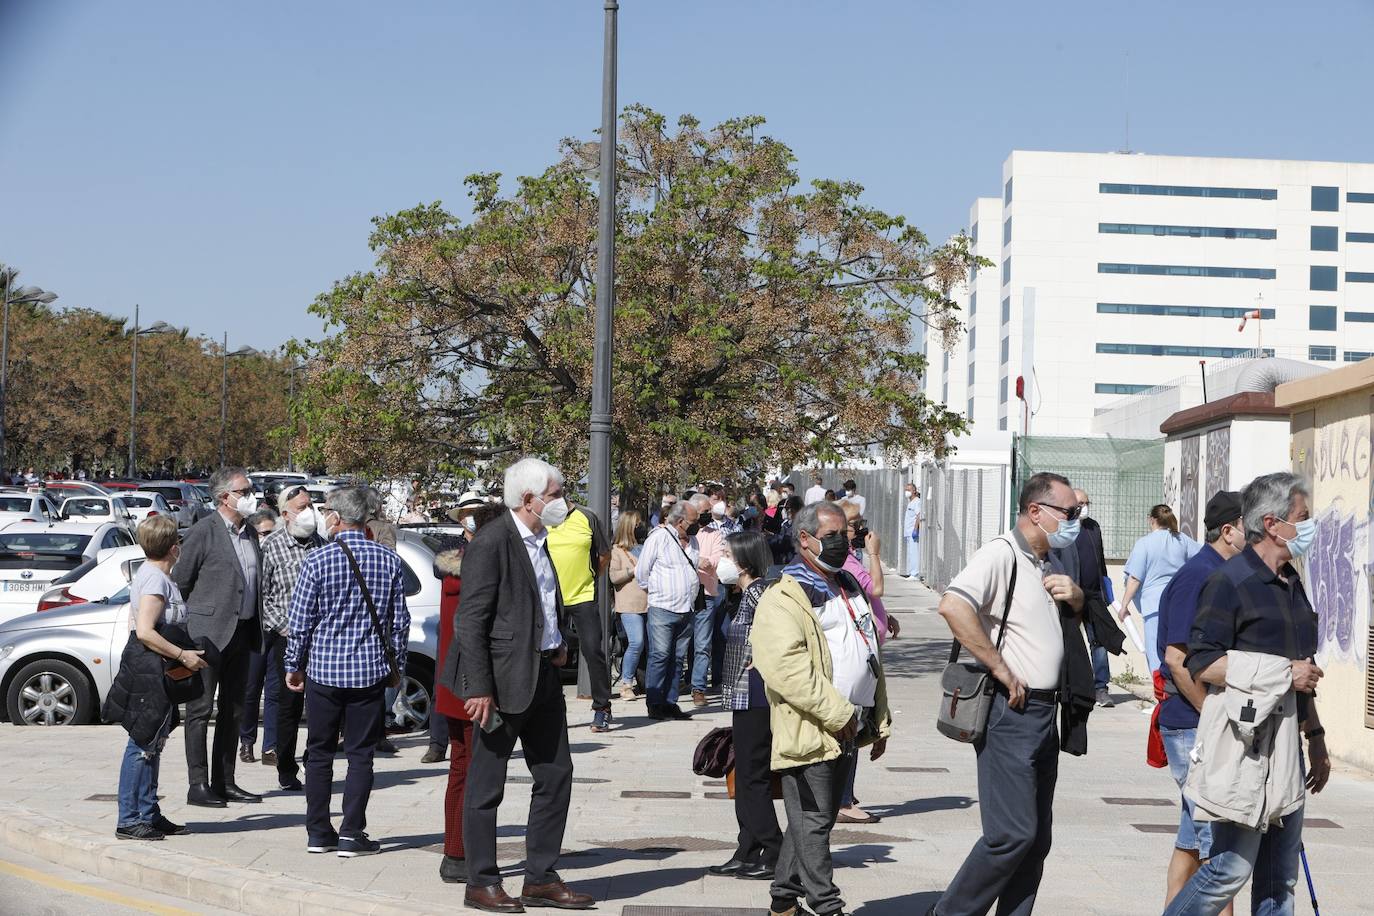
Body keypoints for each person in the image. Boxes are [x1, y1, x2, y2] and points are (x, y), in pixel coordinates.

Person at [1163, 473, 1330, 916]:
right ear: (1273, 524)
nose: (1308, 527)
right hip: (1243, 748)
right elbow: (1202, 662)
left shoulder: (1291, 581)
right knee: (1228, 871)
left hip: (1288, 749)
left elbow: (1304, 669)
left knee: (1280, 881)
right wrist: (1280, 674)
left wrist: (1316, 738)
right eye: (1302, 518)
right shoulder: (1228, 582)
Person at [929, 472, 1085, 916]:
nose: (1075, 521)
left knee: (1035, 841)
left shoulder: (1048, 561)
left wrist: (1074, 599)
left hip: (1044, 713)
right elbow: (953, 605)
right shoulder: (1002, 553)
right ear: (1036, 511)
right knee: (1011, 833)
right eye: (1069, 513)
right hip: (1010, 712)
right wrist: (999, 667)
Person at [443, 457, 593, 911]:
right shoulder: (492, 542)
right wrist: (478, 688)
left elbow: (543, 598)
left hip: (542, 675)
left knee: (555, 775)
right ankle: (481, 881)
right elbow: (471, 622)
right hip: (500, 684)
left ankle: (540, 877)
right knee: (486, 783)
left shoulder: (540, 539)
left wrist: (559, 642)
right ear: (528, 499)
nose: (561, 503)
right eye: (554, 495)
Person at [751, 501, 891, 916]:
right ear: (805, 539)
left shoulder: (846, 582)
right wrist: (836, 713)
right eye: (831, 535)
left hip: (851, 721)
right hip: (813, 723)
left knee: (818, 816)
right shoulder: (783, 594)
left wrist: (876, 718)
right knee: (813, 818)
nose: (841, 541)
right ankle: (827, 905)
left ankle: (782, 900)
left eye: (845, 533)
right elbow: (786, 669)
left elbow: (867, 649)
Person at [284, 486, 410, 859]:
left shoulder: (318, 561)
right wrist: (397, 668)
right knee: (360, 756)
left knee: (319, 754)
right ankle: (353, 833)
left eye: (326, 513)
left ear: (337, 519)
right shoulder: (388, 561)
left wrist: (294, 665)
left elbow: (301, 620)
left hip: (324, 671)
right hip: (368, 673)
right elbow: (399, 622)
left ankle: (319, 831)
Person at [1153, 491, 1244, 914]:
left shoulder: (1222, 574)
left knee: (1192, 841)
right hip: (1192, 724)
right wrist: (1213, 714)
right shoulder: (1199, 577)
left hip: (1198, 722)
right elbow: (1176, 659)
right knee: (1218, 850)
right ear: (1228, 531)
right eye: (1252, 524)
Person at [174, 466, 265, 808]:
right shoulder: (203, 532)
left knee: (235, 710)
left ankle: (225, 781)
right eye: (245, 491)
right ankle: (197, 785)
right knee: (199, 711)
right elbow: (180, 583)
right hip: (207, 635)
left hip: (243, 631)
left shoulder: (250, 533)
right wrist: (185, 634)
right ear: (225, 496)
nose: (251, 496)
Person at [109, 516, 205, 840]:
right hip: (151, 669)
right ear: (174, 547)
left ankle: (148, 813)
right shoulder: (154, 580)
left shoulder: (159, 576)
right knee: (141, 743)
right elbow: (145, 631)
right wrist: (183, 655)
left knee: (154, 742)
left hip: (157, 669)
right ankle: (129, 818)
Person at [432, 500, 504, 886]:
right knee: (470, 769)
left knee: (463, 766)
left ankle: (458, 851)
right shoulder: (475, 569)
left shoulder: (456, 567)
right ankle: (460, 851)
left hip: (456, 683)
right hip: (471, 684)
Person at [708, 530, 783, 882]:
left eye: (726, 552)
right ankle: (747, 849)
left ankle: (774, 849)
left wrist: (762, 659)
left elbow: (777, 636)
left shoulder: (760, 593)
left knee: (752, 777)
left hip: (756, 695)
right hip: (743, 693)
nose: (720, 558)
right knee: (743, 771)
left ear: (743, 558)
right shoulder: (742, 593)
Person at [258, 484, 325, 790]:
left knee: (322, 706)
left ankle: (316, 760)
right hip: (285, 637)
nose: (308, 512)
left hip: (321, 639)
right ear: (285, 513)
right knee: (288, 707)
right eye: (301, 507)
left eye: (310, 506)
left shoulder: (322, 546)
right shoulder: (271, 546)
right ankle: (286, 768)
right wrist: (282, 627)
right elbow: (263, 596)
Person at [421, 491, 489, 765]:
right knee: (444, 685)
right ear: (460, 518)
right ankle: (437, 744)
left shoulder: (491, 543)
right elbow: (440, 566)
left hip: (478, 626)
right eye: (468, 513)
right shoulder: (449, 543)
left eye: (477, 513)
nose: (472, 518)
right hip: (451, 629)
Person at [835, 499, 892, 825]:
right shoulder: (850, 559)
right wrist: (874, 552)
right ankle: (843, 798)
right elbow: (877, 587)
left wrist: (886, 616)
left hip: (867, 646)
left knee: (861, 720)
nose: (863, 529)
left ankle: (845, 792)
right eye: (856, 524)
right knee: (855, 723)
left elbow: (863, 597)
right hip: (860, 654)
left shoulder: (848, 559)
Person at [545, 495, 613, 732]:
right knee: (550, 652)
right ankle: (550, 710)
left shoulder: (587, 517)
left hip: (583, 596)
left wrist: (591, 579)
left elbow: (604, 554)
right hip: (552, 599)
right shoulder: (542, 520)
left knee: (593, 650)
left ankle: (602, 708)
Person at [637, 499, 703, 721]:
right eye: (694, 521)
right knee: (660, 656)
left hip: (687, 608)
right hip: (662, 607)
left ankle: (670, 702)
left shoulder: (693, 542)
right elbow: (642, 572)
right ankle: (655, 703)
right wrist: (658, 592)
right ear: (681, 521)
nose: (697, 525)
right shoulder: (659, 537)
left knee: (677, 658)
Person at [1119, 505, 1201, 673]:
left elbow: (1134, 578)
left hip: (1154, 607)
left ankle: (1160, 694)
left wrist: (1124, 605)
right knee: (1179, 651)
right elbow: (1202, 556)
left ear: (1152, 520)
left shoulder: (1144, 543)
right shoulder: (1182, 540)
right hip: (1180, 604)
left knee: (1156, 654)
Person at [237, 508, 281, 765]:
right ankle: (246, 742)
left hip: (277, 633)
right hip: (254, 633)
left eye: (272, 533)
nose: (269, 538)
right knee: (250, 690)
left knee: (274, 691)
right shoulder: (248, 559)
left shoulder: (279, 556)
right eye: (264, 533)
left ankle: (271, 747)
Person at [1074, 488, 1114, 706]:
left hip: (1093, 596)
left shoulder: (1093, 527)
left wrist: (1105, 589)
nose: (1085, 507)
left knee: (1099, 642)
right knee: (1068, 640)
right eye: (1081, 503)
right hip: (1069, 596)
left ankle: (1101, 688)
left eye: (1088, 503)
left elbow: (1100, 560)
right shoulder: (1062, 528)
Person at [689, 493, 725, 706]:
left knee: (702, 642)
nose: (708, 516)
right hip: (684, 592)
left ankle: (698, 688)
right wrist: (697, 560)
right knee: (684, 641)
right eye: (704, 513)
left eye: (709, 512)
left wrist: (704, 561)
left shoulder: (714, 534)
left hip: (707, 592)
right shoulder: (681, 533)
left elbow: (716, 559)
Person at [608, 510, 648, 701]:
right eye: (637, 523)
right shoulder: (617, 550)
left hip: (650, 603)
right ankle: (626, 683)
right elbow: (614, 577)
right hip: (629, 605)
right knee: (636, 642)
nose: (641, 527)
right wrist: (634, 570)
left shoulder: (645, 547)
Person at [903, 484, 923, 580]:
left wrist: (915, 529)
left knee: (914, 552)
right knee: (911, 552)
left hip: (913, 532)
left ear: (914, 491)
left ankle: (915, 574)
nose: (906, 491)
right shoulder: (910, 502)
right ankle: (912, 572)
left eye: (909, 489)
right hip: (908, 532)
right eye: (906, 489)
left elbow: (919, 515)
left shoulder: (917, 502)